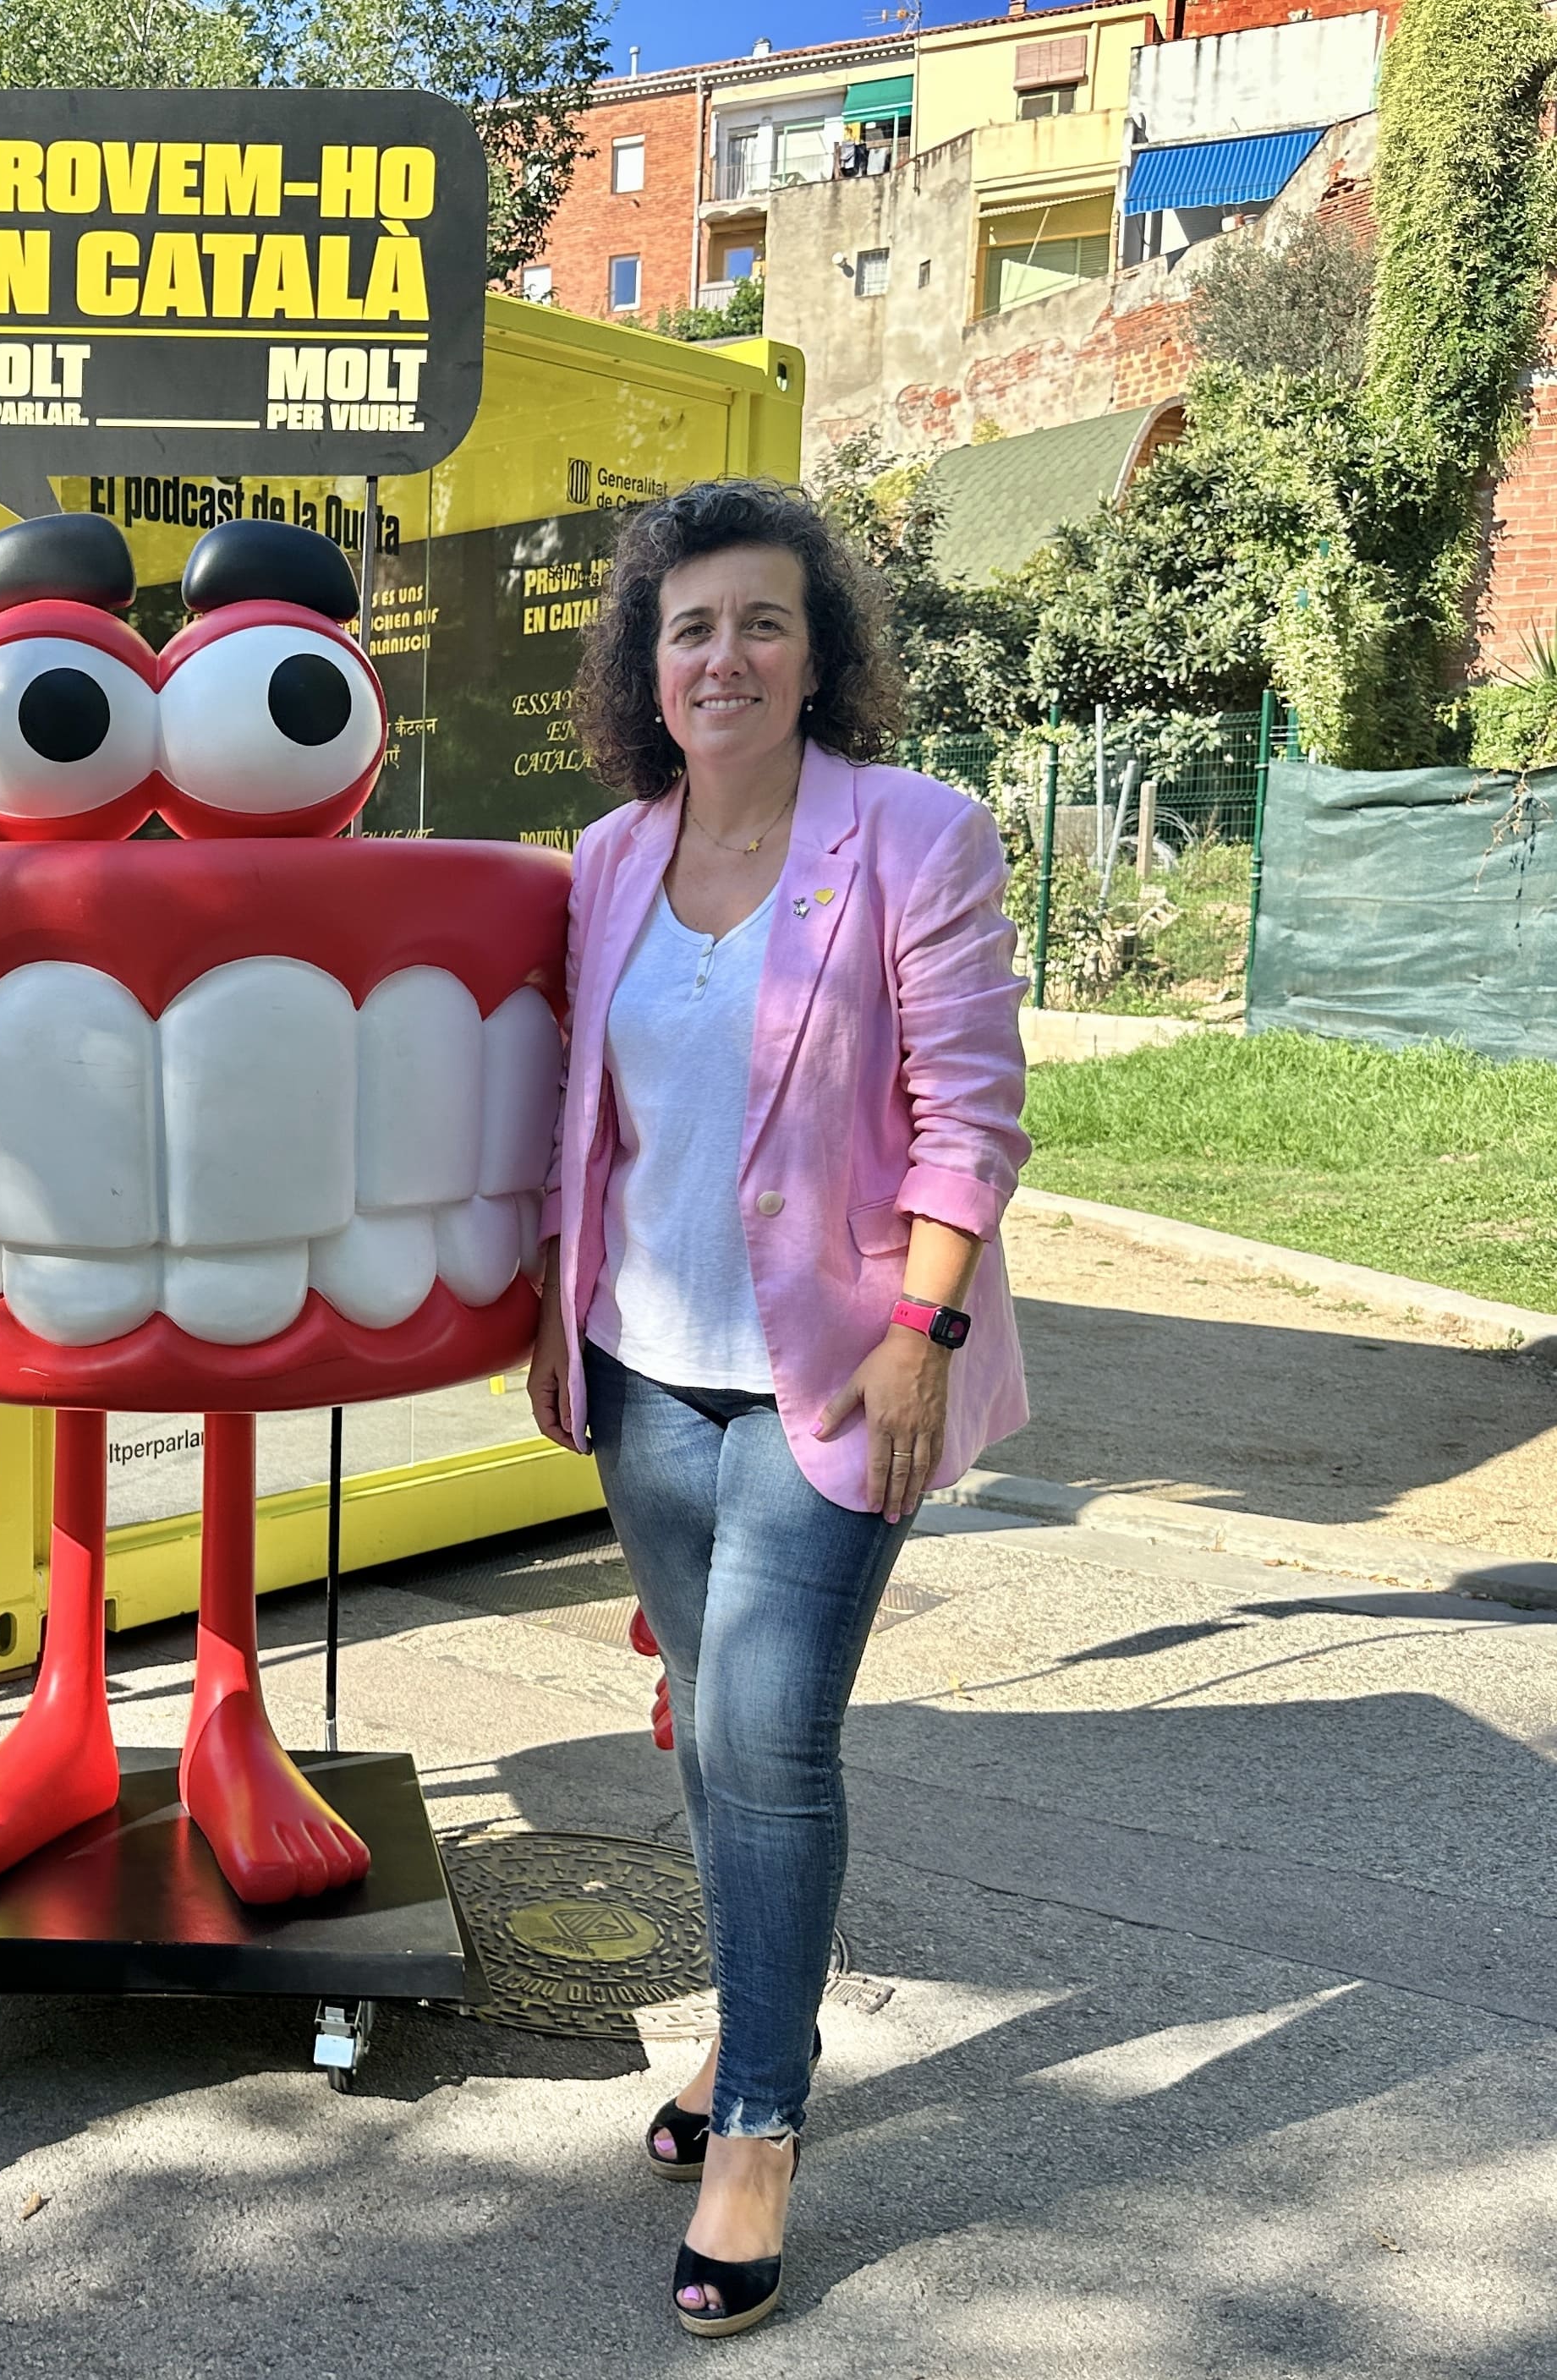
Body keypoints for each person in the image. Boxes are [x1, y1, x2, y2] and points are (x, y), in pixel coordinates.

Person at [525, 479, 1029, 2339]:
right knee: (700, 1735)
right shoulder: (606, 860)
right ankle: (752, 2027)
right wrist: (551, 1310)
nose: (720, 655)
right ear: (645, 669)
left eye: (757, 622)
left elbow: (974, 1113)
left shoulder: (915, 834)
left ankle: (756, 2121)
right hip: (647, 1376)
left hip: (838, 1379)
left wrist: (925, 1333)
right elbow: (584, 1108)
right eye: (687, 628)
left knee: (766, 1740)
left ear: (816, 657)